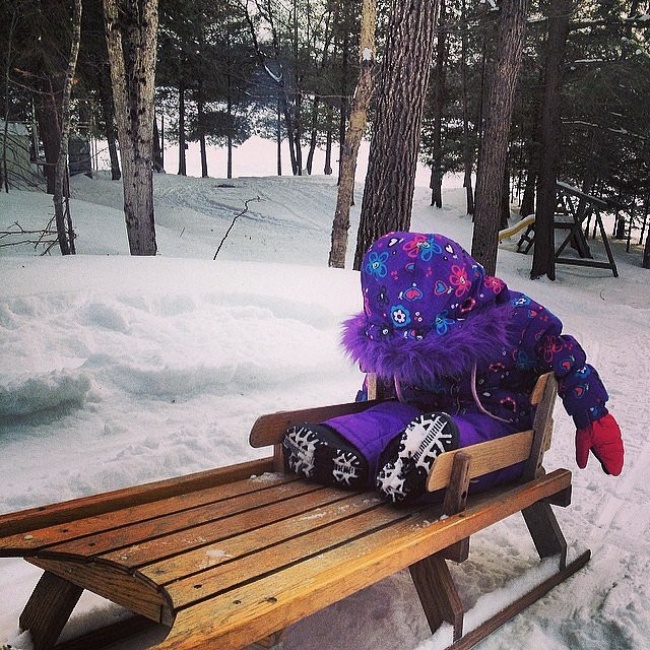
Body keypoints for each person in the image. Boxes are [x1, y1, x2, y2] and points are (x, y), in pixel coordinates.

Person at [283, 232, 624, 505]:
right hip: (416, 411)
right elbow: (382, 380)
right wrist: (364, 409)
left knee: (467, 432)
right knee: (387, 417)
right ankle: (344, 446)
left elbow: (565, 357)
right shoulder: (392, 318)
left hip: (495, 418)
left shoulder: (518, 318)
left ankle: (428, 459)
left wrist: (593, 417)